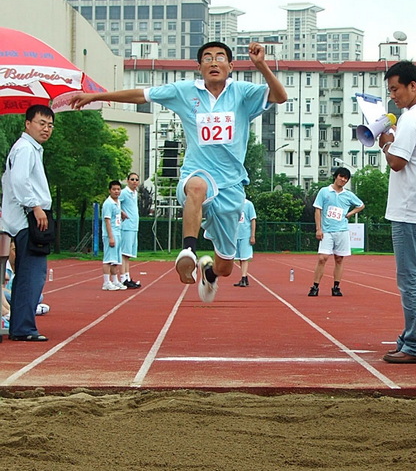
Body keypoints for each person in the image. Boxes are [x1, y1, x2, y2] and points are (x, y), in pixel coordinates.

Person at [70, 41, 287, 303]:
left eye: (220, 57)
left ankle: (209, 273)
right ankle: (188, 250)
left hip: (231, 185)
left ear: (231, 66)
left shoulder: (242, 93)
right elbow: (142, 95)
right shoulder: (184, 91)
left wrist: (261, 65)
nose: (213, 62)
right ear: (199, 67)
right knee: (196, 186)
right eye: (207, 58)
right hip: (198, 171)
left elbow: (280, 96)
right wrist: (96, 96)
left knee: (226, 266)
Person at [380, 60, 416, 364]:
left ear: (413, 86)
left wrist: (386, 143)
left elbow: (397, 162)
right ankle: (412, 337)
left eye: (395, 89)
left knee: (412, 279)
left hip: (409, 209)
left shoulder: (412, 119)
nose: (393, 97)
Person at [1, 105, 54, 341]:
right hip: (28, 218)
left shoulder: (31, 149)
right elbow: (20, 181)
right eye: (41, 123)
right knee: (32, 274)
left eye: (50, 125)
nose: (46, 129)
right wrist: (35, 207)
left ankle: (21, 326)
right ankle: (23, 328)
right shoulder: (25, 149)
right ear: (28, 123)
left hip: (26, 216)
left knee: (29, 274)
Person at [308, 167, 364, 297]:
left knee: (339, 259)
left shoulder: (348, 194)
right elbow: (318, 210)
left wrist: (350, 213)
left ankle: (336, 287)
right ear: (336, 176)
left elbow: (361, 205)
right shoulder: (324, 191)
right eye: (341, 176)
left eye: (346, 178)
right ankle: (315, 286)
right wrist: (318, 229)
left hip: (342, 231)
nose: (343, 179)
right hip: (327, 230)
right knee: (323, 258)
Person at [101, 180, 127, 291]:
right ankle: (106, 282)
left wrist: (122, 213)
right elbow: (107, 220)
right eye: (114, 189)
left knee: (115, 260)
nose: (116, 191)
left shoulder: (117, 202)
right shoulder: (108, 203)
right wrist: (110, 237)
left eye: (118, 189)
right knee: (108, 259)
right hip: (110, 234)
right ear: (109, 190)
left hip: (118, 232)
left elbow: (116, 211)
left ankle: (115, 280)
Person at [119, 172, 141, 289]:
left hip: (133, 226)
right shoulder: (124, 193)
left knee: (128, 254)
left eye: (136, 180)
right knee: (124, 253)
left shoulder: (134, 193)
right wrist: (122, 213)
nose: (134, 181)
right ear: (127, 181)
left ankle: (127, 277)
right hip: (126, 226)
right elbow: (115, 202)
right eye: (132, 179)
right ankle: (123, 278)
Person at [233, 198, 257, 287]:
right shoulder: (234, 204)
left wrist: (252, 235)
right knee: (240, 257)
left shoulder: (249, 204)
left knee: (245, 258)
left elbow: (253, 220)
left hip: (245, 235)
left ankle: (243, 278)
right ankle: (244, 277)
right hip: (236, 235)